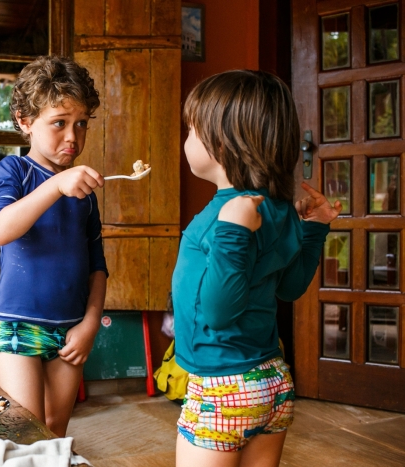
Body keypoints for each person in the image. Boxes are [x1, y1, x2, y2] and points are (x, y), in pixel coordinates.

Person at [173, 70, 342, 466]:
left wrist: (233, 234)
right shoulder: (278, 209)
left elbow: (218, 312)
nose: (186, 141)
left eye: (191, 131)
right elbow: (291, 286)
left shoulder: (223, 219)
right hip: (271, 382)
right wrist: (315, 229)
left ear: (220, 143)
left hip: (221, 385)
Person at [0, 55, 107, 438]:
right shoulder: (14, 172)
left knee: (55, 429)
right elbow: (2, 230)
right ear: (25, 121)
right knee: (25, 429)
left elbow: (97, 267)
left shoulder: (84, 192)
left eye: (81, 124)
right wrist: (55, 185)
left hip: (70, 330)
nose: (73, 137)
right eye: (59, 123)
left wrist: (90, 324)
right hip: (19, 326)